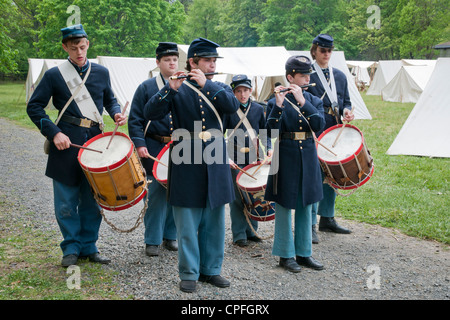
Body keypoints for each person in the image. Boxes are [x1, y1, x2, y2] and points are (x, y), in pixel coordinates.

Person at [143, 37, 240, 293]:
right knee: (187, 221)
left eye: (213, 61)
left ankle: (211, 270)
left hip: (216, 159)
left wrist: (206, 84)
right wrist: (169, 88)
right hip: (186, 160)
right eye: (207, 60)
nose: (211, 64)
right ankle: (188, 272)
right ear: (193, 62)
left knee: (215, 221)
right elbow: (150, 113)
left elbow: (232, 107)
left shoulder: (220, 87)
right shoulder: (177, 87)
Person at [26, 24, 127, 267]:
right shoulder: (54, 75)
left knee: (92, 198)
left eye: (82, 47)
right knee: (66, 202)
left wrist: (115, 114)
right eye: (74, 48)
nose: (79, 52)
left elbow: (110, 99)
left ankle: (89, 246)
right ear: (65, 47)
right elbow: (34, 107)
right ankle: (70, 248)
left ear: (88, 45)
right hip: (66, 142)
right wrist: (54, 133)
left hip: (94, 140)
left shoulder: (101, 72)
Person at [265, 55, 325, 272]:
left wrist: (303, 102)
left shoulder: (314, 100)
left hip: (307, 154)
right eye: (302, 75)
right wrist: (279, 106)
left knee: (305, 204)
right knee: (283, 205)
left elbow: (318, 125)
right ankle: (285, 254)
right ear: (290, 77)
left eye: (308, 74)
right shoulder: (275, 101)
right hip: (285, 155)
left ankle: (304, 253)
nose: (307, 78)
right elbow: (270, 131)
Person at [128, 42, 179, 257]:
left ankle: (171, 236)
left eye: (175, 59)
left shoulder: (184, 86)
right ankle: (152, 240)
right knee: (155, 194)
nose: (172, 63)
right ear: (157, 62)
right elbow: (135, 119)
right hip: (153, 146)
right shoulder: (146, 87)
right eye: (167, 60)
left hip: (178, 146)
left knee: (176, 193)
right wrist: (140, 144)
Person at [308, 34, 355, 244]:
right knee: (315, 174)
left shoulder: (340, 76)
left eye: (329, 51)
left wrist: (347, 111)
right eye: (322, 51)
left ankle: (327, 218)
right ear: (315, 51)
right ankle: (309, 223)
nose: (326, 54)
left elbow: (346, 101)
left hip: (335, 127)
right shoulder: (307, 74)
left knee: (333, 174)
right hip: (316, 128)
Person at [224, 74, 272, 247]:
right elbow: (219, 134)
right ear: (233, 92)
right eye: (238, 91)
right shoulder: (228, 109)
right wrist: (226, 157)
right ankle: (239, 235)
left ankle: (252, 231)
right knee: (237, 198)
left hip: (255, 157)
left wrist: (269, 149)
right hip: (234, 157)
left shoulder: (259, 109)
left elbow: (265, 132)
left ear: (250, 90)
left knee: (253, 195)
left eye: (245, 90)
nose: (242, 94)